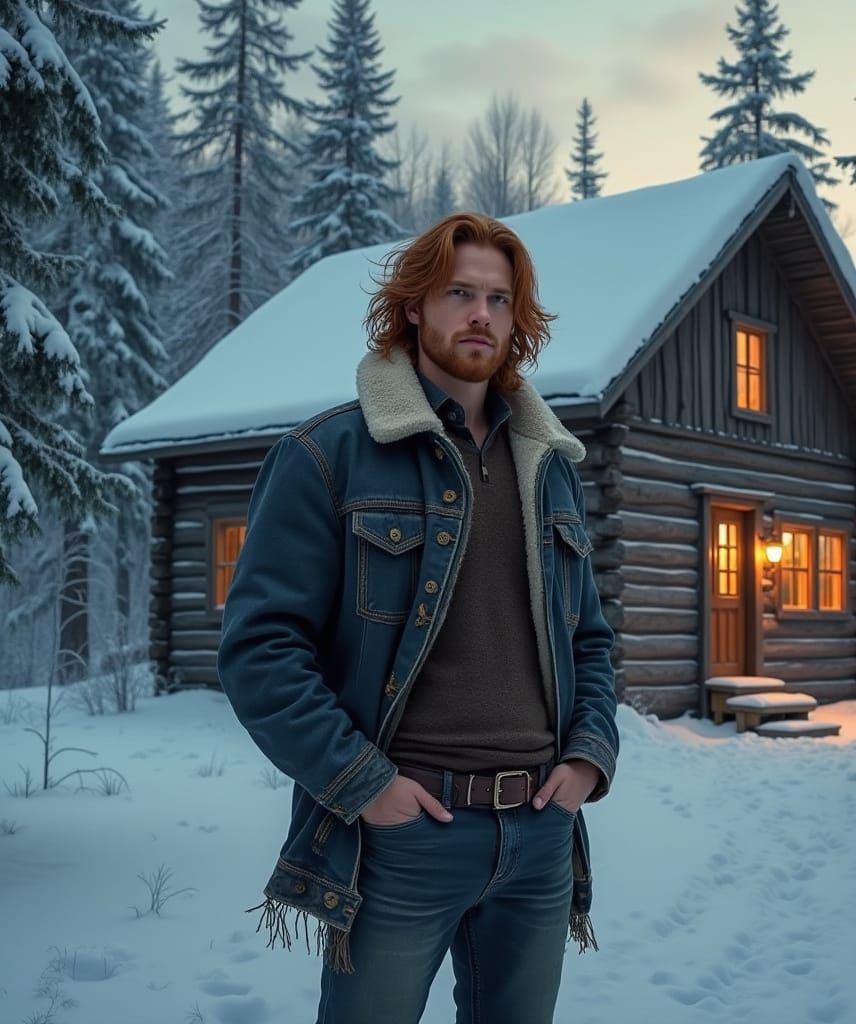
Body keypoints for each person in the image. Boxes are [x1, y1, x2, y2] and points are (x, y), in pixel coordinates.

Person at [217, 212, 619, 1024]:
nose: (481, 314)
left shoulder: (551, 470)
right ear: (413, 308)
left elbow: (591, 641)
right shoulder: (329, 455)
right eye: (459, 293)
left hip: (539, 836)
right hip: (403, 837)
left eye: (499, 299)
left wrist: (587, 760)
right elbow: (261, 651)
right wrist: (364, 787)